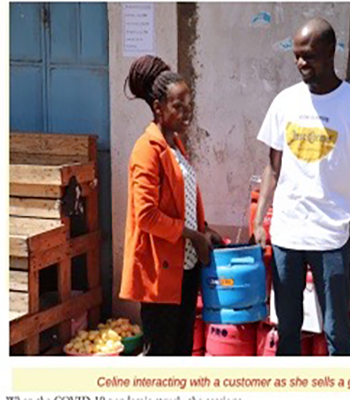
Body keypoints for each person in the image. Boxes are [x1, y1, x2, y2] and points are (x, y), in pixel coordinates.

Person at [253, 18, 350, 355]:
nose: (302, 63)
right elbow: (273, 168)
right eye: (297, 56)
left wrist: (345, 196)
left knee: (336, 333)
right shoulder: (285, 102)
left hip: (330, 238)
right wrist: (260, 221)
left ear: (331, 52)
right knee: (286, 331)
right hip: (287, 236)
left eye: (310, 56)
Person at [119, 55, 222, 356]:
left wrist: (204, 229)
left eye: (189, 105)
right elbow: (147, 216)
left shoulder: (175, 144)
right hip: (160, 270)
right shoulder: (147, 149)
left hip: (185, 267)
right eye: (178, 106)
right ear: (157, 108)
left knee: (181, 351)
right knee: (161, 356)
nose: (186, 113)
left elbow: (182, 201)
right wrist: (193, 236)